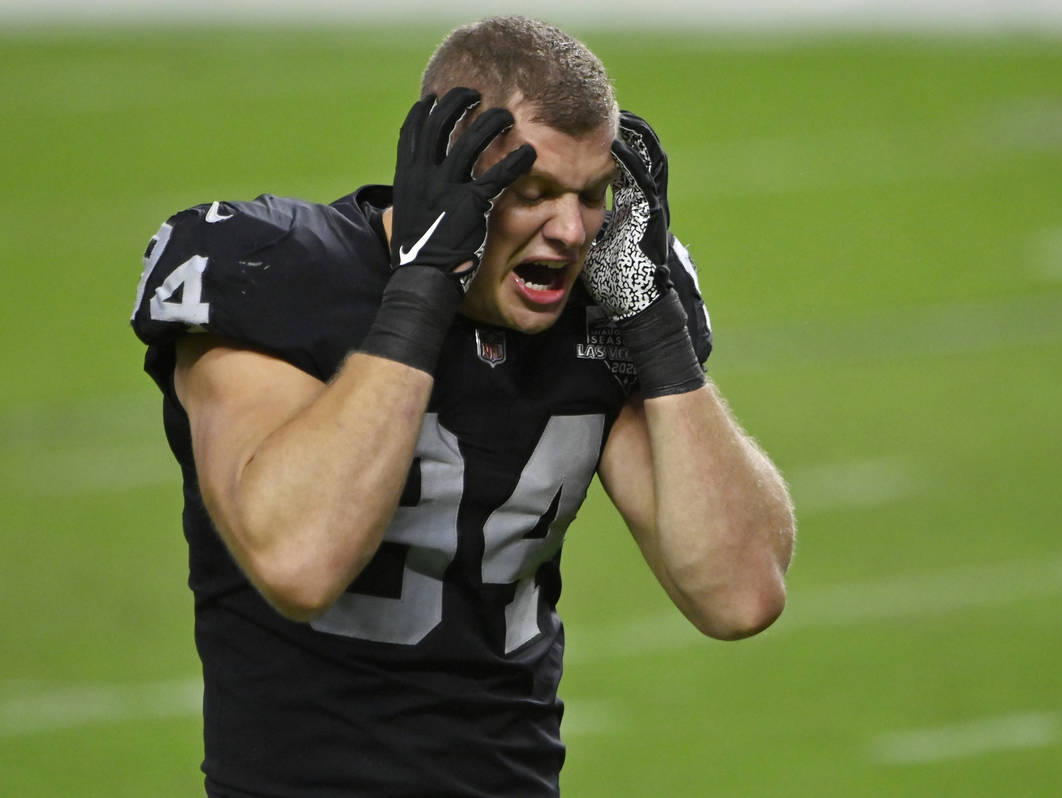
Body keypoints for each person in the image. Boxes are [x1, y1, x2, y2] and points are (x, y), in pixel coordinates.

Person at [130, 15, 794, 798]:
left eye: (593, 195)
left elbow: (740, 593)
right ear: (447, 172)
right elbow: (297, 563)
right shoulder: (275, 269)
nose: (572, 231)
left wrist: (656, 331)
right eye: (533, 193)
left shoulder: (606, 302)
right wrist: (423, 287)